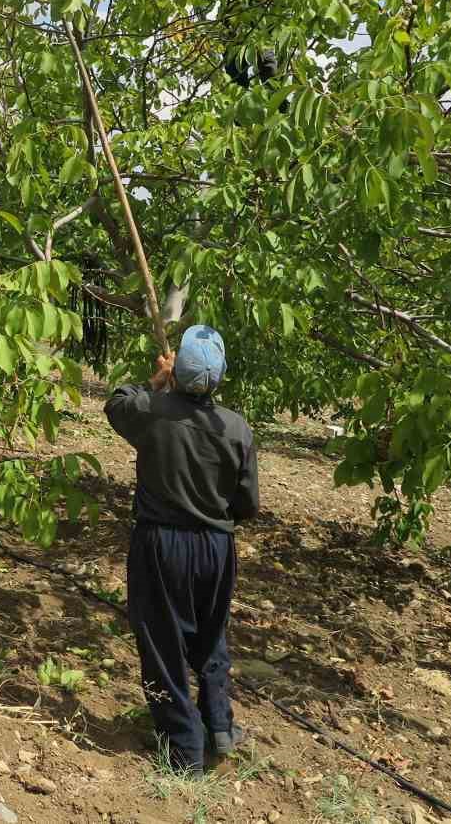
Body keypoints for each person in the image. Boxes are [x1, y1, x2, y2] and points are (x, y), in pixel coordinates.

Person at [104, 324, 259, 774]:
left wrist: (157, 383)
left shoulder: (152, 412)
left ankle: (184, 750)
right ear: (220, 377)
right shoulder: (236, 427)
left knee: (162, 643)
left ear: (176, 372)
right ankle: (220, 725)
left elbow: (116, 403)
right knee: (210, 634)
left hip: (161, 544)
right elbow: (246, 504)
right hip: (216, 546)